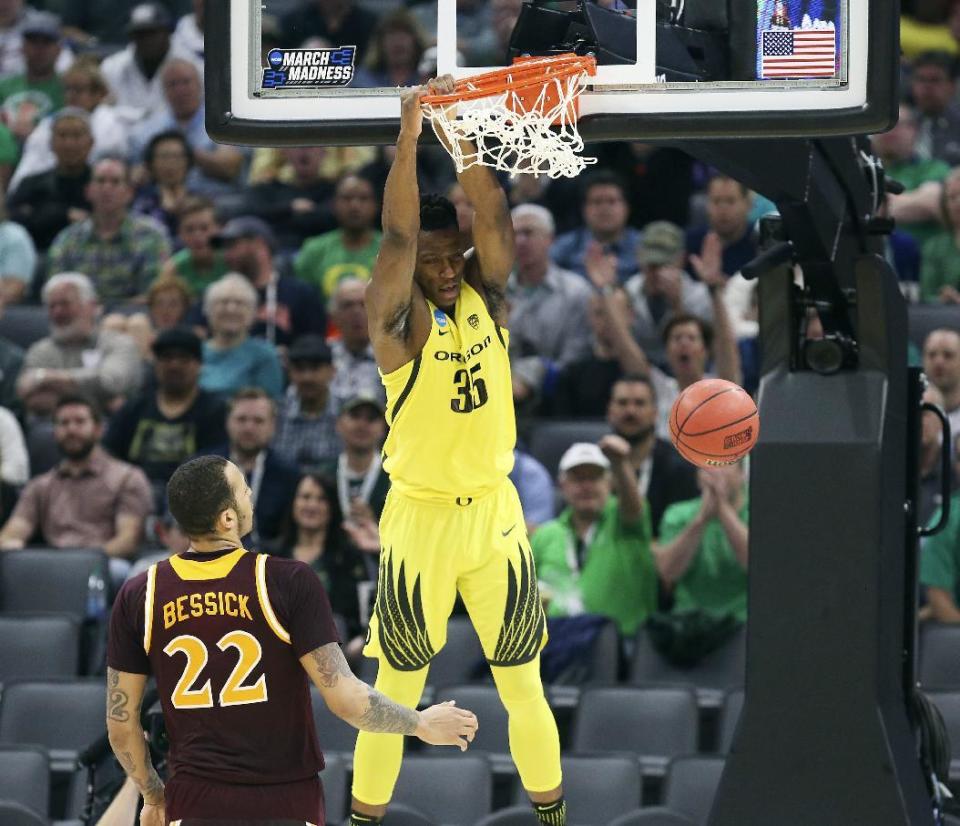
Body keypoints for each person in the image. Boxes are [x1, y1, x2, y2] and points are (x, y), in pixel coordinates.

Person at [354, 79, 565, 826]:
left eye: (455, 259)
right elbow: (401, 240)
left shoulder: (489, 295)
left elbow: (494, 213)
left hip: (496, 515)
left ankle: (554, 818)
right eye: (435, 263)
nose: (446, 271)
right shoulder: (397, 323)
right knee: (397, 688)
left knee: (523, 685)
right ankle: (361, 819)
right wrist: (410, 139)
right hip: (422, 520)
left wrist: (467, 137)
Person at [105, 454, 478, 826]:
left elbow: (121, 725)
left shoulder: (141, 593)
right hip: (284, 800)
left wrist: (153, 794)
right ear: (228, 518)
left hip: (194, 801)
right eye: (242, 488)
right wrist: (421, 723)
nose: (250, 493)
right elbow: (346, 699)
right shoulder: (285, 581)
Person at [0, 393, 152, 573]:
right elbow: (13, 532)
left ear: (98, 429)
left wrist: (78, 562)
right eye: (63, 423)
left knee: (118, 570)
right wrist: (11, 544)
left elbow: (128, 541)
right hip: (51, 564)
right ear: (54, 432)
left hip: (103, 563)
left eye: (80, 422)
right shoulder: (41, 485)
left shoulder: (127, 478)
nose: (71, 429)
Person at [531, 440, 658, 637]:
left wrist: (620, 464)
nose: (586, 486)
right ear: (562, 486)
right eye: (577, 479)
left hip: (618, 645)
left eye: (594, 478)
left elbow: (634, 508)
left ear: (610, 483)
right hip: (556, 643)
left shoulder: (624, 523)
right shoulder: (545, 535)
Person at [104, 327, 228, 510]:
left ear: (199, 365)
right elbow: (108, 453)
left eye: (184, 359)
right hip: (132, 496)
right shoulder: (134, 408)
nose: (174, 365)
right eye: (166, 358)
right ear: (155, 364)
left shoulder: (215, 410)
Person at [268, 472, 371, 661]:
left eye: (321, 499)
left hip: (338, 658)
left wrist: (359, 643)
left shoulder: (349, 558)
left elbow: (363, 615)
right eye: (305, 497)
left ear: (332, 506)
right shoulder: (268, 556)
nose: (312, 505)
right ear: (293, 502)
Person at [46, 155, 173, 305]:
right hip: (80, 319)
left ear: (129, 192)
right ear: (88, 191)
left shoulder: (152, 235)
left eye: (115, 182)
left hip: (135, 318)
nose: (107, 188)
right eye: (100, 181)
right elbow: (55, 291)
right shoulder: (67, 239)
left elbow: (155, 295)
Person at [17, 272, 143, 417]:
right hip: (54, 431)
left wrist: (46, 377)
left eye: (65, 304)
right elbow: (32, 397)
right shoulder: (40, 350)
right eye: (52, 306)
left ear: (91, 306)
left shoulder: (119, 343)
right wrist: (101, 398)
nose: (58, 312)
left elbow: (111, 382)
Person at [507, 204, 592, 414]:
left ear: (550, 239)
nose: (520, 241)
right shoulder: (491, 288)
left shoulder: (576, 291)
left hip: (556, 395)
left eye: (528, 233)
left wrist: (537, 372)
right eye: (515, 234)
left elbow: (576, 357)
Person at [655, 462, 750, 623]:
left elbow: (757, 566)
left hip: (742, 622)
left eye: (725, 464)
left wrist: (722, 509)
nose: (715, 471)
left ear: (743, 475)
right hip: (688, 622)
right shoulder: (678, 513)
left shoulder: (758, 511)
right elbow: (667, 573)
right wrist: (701, 519)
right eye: (708, 465)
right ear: (698, 477)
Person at [212, 215, 327, 348]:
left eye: (232, 246)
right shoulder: (219, 296)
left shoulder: (300, 294)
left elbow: (314, 344)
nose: (226, 255)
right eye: (224, 248)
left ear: (259, 244)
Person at [606, 375, 699, 537]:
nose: (630, 411)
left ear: (655, 413)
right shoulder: (595, 464)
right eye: (622, 403)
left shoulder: (680, 468)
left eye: (639, 403)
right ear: (610, 412)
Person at [209, 387, 300, 546]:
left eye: (258, 421)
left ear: (273, 426)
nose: (249, 428)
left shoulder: (289, 475)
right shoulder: (204, 469)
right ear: (228, 422)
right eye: (241, 419)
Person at [623, 220, 713, 369]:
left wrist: (677, 305)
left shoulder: (700, 297)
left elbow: (704, 357)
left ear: (681, 259)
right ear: (639, 259)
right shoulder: (629, 292)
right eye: (652, 265)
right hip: (641, 374)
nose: (657, 273)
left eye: (665, 265)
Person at [7, 106, 93, 251]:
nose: (69, 144)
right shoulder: (31, 184)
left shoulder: (102, 183)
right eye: (63, 136)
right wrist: (64, 215)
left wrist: (39, 212)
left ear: (91, 142)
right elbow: (14, 220)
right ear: (51, 143)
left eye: (77, 136)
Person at [99, 2, 203, 121]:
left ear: (166, 31)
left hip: (178, 133)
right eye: (140, 34)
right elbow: (104, 109)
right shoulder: (112, 66)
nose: (146, 40)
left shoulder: (191, 65)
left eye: (152, 33)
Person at [294, 172, 382, 298]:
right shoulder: (313, 250)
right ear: (333, 205)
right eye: (347, 198)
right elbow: (304, 302)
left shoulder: (391, 251)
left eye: (363, 198)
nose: (354, 205)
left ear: (376, 206)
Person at [199, 272, 284, 400]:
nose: (231, 309)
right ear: (208, 310)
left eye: (240, 303)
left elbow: (270, 404)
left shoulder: (265, 355)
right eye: (223, 302)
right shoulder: (194, 352)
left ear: (253, 314)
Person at [550, 170, 642, 283]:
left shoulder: (642, 246)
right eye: (597, 202)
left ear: (626, 208)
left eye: (611, 201)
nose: (604, 209)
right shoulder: (565, 247)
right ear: (584, 209)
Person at [0, 11, 64, 144]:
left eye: (46, 43)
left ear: (58, 49)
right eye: (33, 42)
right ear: (22, 47)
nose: (39, 49)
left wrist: (36, 133)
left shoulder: (68, 88)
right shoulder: (4, 85)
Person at [685, 176, 757, 279]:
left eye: (730, 201)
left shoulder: (758, 241)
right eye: (716, 201)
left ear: (748, 204)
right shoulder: (690, 242)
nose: (723, 209)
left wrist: (715, 281)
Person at [328, 277, 384, 408]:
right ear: (334, 316)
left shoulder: (393, 358)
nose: (356, 312)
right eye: (348, 305)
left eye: (363, 304)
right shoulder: (322, 356)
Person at [158, 195, 228, 296]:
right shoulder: (173, 269)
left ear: (218, 229)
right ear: (180, 234)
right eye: (189, 229)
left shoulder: (231, 262)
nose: (197, 236)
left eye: (204, 228)